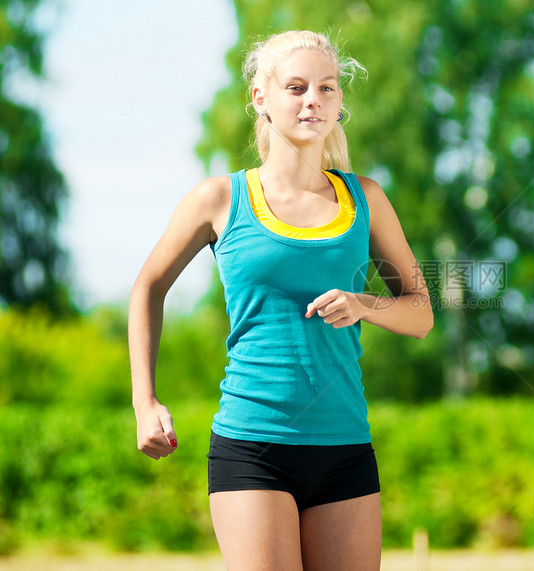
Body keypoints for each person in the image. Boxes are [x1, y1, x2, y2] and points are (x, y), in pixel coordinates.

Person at [128, 30, 433, 570]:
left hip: (345, 449)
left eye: (327, 88)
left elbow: (420, 312)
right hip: (252, 448)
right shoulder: (220, 199)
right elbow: (148, 287)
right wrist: (144, 401)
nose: (313, 99)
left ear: (339, 103)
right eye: (296, 87)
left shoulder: (368, 199)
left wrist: (365, 304)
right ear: (260, 97)